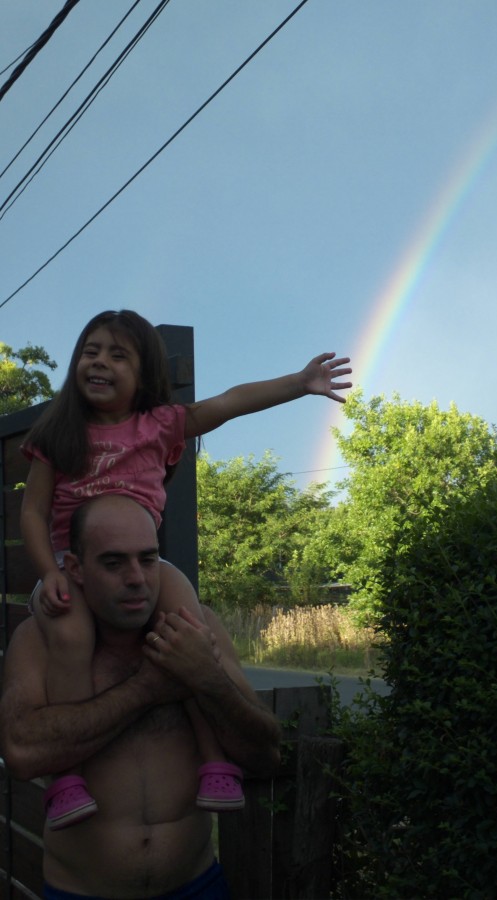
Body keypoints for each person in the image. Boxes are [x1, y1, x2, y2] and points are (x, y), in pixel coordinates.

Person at [19, 309, 351, 829]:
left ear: (143, 374)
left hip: (148, 565)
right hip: (70, 564)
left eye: (116, 354)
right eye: (91, 351)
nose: (99, 362)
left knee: (189, 634)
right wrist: (51, 571)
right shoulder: (58, 433)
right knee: (69, 633)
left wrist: (298, 383)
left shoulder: (161, 425)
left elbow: (229, 403)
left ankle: (215, 762)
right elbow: (33, 512)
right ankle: (67, 779)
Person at [0, 493, 281, 899]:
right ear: (75, 569)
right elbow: (22, 753)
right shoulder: (40, 641)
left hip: (196, 886)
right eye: (114, 563)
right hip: (80, 893)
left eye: (148, 560)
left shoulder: (197, 633)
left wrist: (208, 679)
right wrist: (147, 689)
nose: (136, 578)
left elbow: (265, 754)